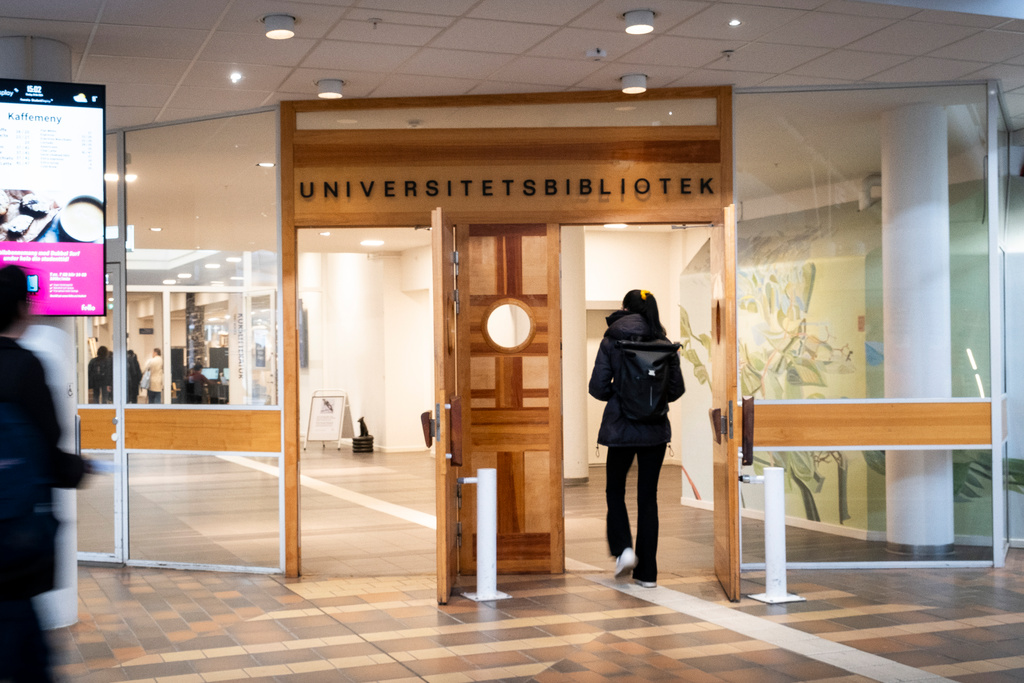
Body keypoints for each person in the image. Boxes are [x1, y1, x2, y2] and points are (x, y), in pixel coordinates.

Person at [0, 264, 88, 681]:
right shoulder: (25, 367)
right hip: (12, 535)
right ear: (22, 308)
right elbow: (48, 446)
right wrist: (77, 470)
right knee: (25, 652)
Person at [588, 289, 684, 588]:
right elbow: (676, 390)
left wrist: (621, 394)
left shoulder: (611, 340)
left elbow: (598, 387)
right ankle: (648, 574)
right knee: (648, 498)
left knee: (614, 491)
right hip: (655, 431)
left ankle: (624, 550)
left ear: (625, 309)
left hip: (621, 429)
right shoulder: (664, 343)